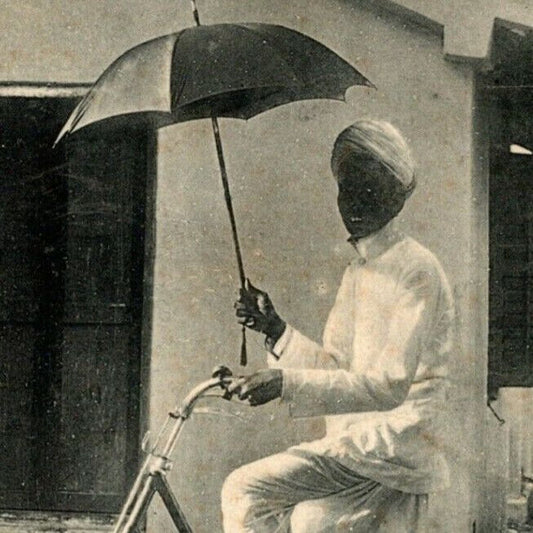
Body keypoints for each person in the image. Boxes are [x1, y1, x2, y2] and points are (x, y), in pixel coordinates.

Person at [221, 119, 454, 532]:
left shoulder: (417, 270)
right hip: (358, 450)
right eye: (346, 188)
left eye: (369, 188)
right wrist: (274, 328)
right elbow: (338, 372)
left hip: (392, 453)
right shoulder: (358, 271)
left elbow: (387, 387)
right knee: (308, 522)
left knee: (244, 490)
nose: (354, 203)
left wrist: (284, 382)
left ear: (397, 197)